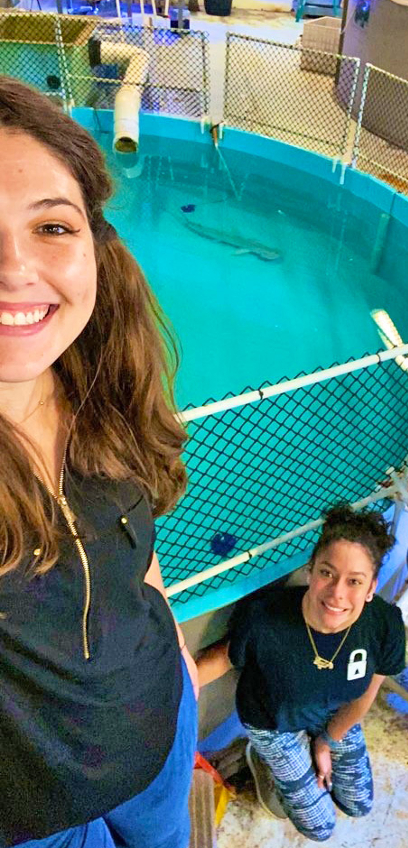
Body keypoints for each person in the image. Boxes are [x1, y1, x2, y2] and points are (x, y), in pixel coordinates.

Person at [0, 76, 198, 848]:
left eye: (51, 227)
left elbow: (138, 561)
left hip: (159, 734)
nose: (16, 269)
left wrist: (175, 651)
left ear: (94, 247)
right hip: (38, 813)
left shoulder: (106, 398)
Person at [196, 504, 406, 842]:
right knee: (319, 828)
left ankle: (311, 746)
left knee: (359, 804)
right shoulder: (265, 618)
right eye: (327, 573)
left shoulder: (384, 625)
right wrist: (170, 690)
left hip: (334, 711)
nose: (337, 593)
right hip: (273, 722)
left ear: (371, 588)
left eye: (354, 581)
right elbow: (221, 659)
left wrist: (328, 741)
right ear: (310, 571)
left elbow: (366, 692)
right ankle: (263, 757)